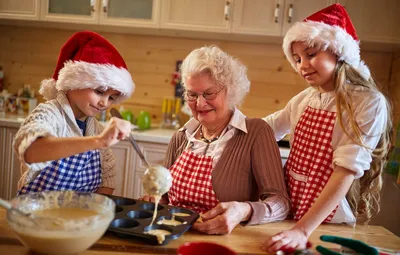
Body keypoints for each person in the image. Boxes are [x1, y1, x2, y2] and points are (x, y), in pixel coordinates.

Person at [261, 4, 392, 252]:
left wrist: (302, 229)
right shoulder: (303, 99)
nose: (302, 65)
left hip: (325, 218)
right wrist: (225, 119)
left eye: (310, 55)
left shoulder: (367, 102)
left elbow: (345, 171)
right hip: (290, 209)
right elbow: (264, 130)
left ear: (338, 52)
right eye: (297, 59)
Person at [143, 45, 290, 234]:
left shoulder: (255, 133)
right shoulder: (181, 136)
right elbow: (164, 198)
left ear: (230, 90)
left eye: (209, 94)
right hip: (172, 236)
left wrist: (243, 210)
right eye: (192, 94)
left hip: (224, 241)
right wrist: (154, 200)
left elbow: (281, 203)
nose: (199, 103)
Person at [14, 31, 135, 196]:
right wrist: (98, 141)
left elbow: (107, 178)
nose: (105, 103)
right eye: (99, 91)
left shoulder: (97, 129)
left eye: (112, 97)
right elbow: (31, 151)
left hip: (79, 216)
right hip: (37, 214)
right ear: (73, 83)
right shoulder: (50, 113)